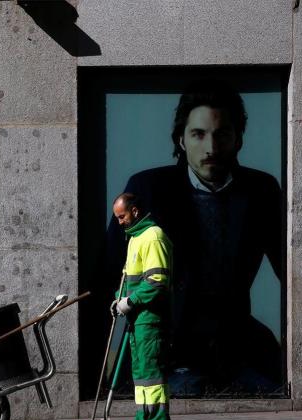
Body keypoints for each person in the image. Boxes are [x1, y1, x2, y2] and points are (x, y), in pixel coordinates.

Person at [107, 81, 284, 395]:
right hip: (168, 347)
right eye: (199, 134)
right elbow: (107, 270)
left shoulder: (261, 191)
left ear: (239, 139)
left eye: (222, 134)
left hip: (237, 346)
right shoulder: (148, 189)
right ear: (182, 139)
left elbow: (291, 271)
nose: (211, 148)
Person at [109, 193, 173, 420]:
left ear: (135, 211)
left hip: (151, 319)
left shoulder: (153, 236)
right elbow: (130, 280)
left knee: (152, 376)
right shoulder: (136, 238)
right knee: (142, 377)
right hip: (138, 319)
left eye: (122, 216)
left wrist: (130, 302)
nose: (120, 222)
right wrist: (119, 299)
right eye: (116, 218)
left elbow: (157, 281)